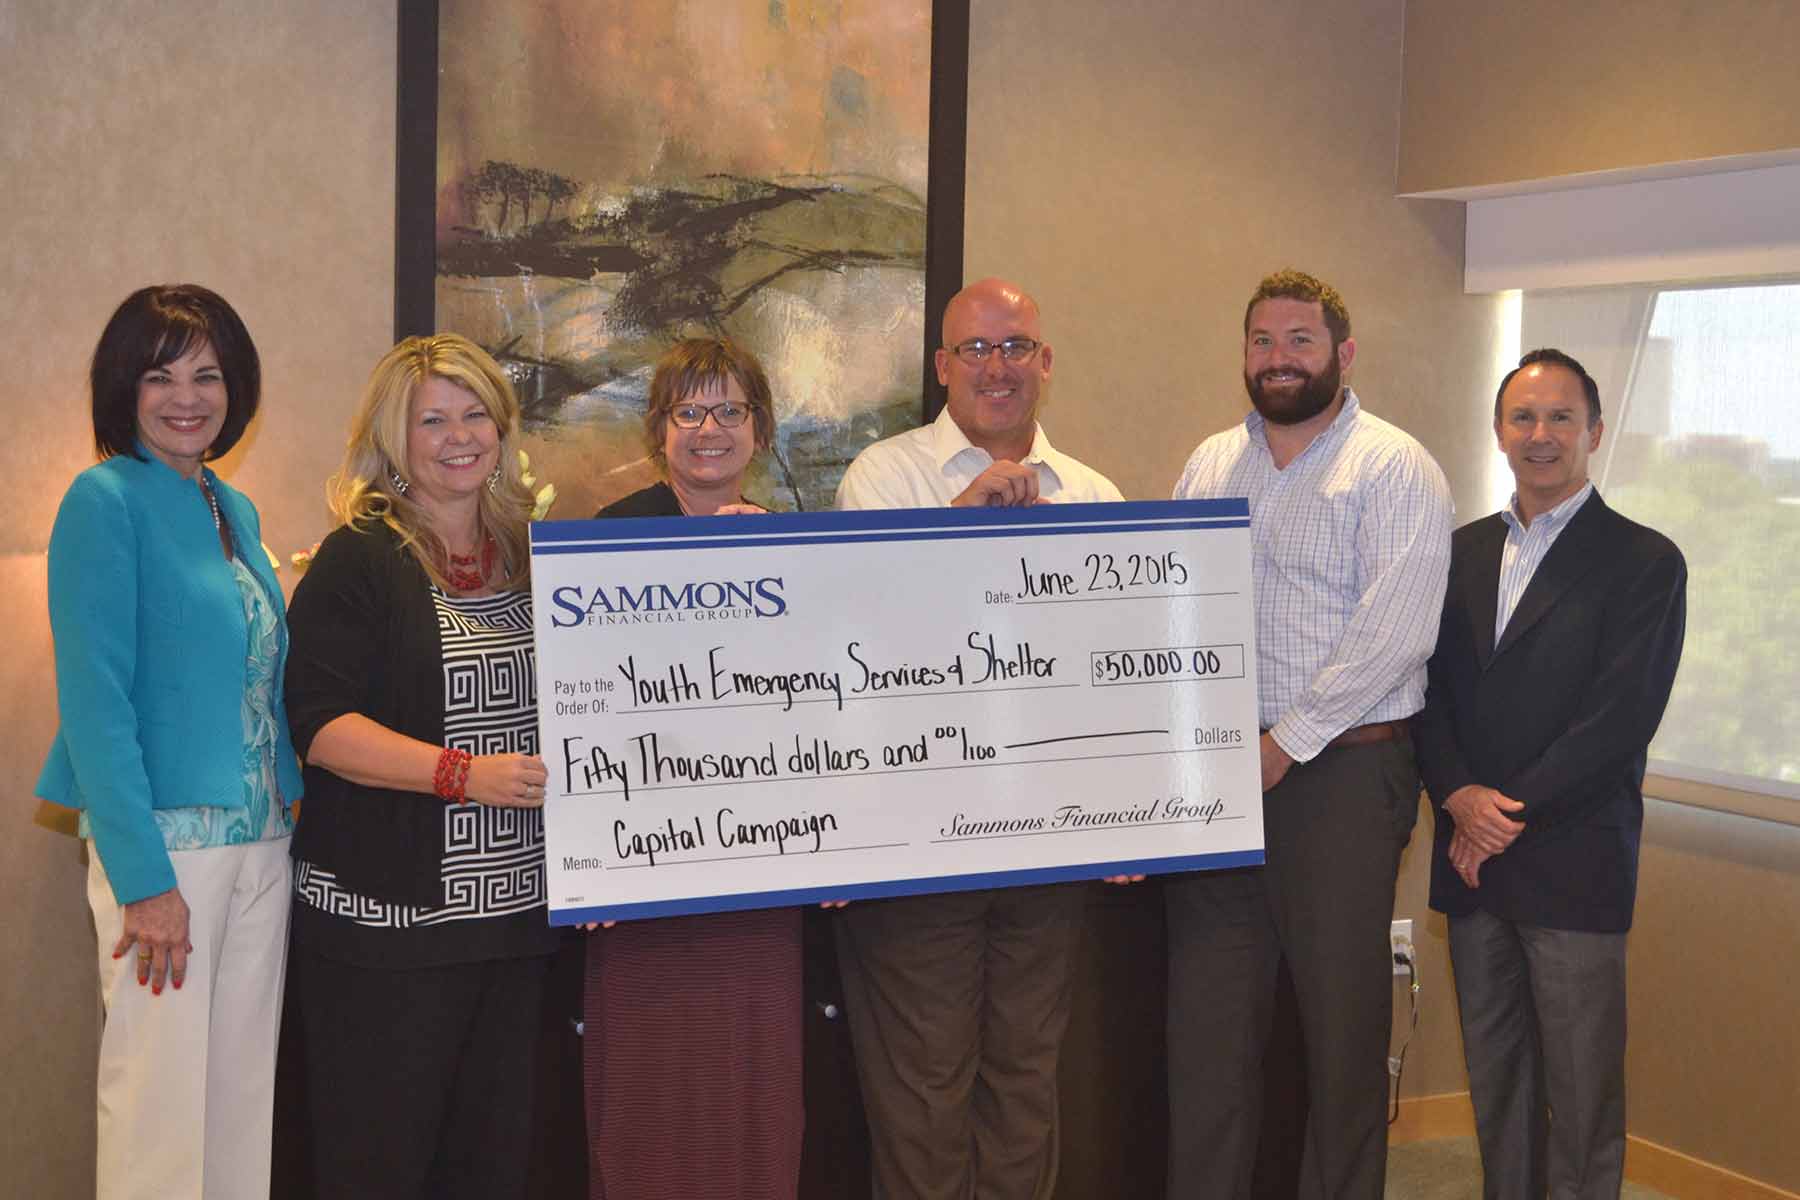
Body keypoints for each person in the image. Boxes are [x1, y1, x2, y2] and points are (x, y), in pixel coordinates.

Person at [1166, 269, 1453, 1199]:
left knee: (1340, 1033)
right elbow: (1168, 606)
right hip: (1222, 774)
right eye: (1262, 340)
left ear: (1342, 352)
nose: (1279, 358)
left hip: (1340, 778)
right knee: (1208, 1032)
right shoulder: (1211, 464)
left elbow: (1397, 630)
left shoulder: (1393, 465)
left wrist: (1283, 743)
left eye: (1300, 340)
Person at [833, 277, 1122, 1200]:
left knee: (1026, 1081)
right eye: (976, 350)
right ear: (942, 367)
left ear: (1046, 362)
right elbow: (860, 648)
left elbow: (1118, 669)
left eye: (1015, 347)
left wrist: (1130, 816)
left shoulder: (1096, 494)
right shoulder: (884, 477)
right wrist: (954, 530)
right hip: (917, 845)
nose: (996, 368)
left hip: (1047, 842)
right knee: (922, 1089)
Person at [38, 284, 303, 1198]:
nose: (186, 396)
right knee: (157, 1111)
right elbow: (96, 705)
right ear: (125, 389)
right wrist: (146, 885)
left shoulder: (237, 509)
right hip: (167, 856)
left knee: (239, 1099)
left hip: (265, 843)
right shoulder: (102, 501)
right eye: (160, 376)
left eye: (207, 374)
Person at [283, 333, 559, 1199]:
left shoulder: (533, 548)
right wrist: (462, 774)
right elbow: (320, 726)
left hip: (514, 924)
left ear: (502, 425)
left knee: (490, 1166)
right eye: (431, 420)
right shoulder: (359, 557)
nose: (459, 435)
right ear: (393, 443)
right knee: (381, 1166)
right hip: (388, 928)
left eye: (475, 412)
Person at [1414, 349, 1685, 1200]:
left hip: (1572, 864)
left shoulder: (1645, 562)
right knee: (1500, 1088)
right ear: (1499, 432)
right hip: (1471, 866)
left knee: (1580, 1095)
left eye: (1561, 418)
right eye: (1523, 418)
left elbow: (1617, 721)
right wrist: (1457, 797)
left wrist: (1497, 818)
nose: (1541, 436)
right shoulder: (1455, 553)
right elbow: (1422, 688)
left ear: (1596, 433)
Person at [582, 337, 805, 1200]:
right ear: (660, 430)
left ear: (758, 430)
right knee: (647, 1102)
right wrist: (594, 858)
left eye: (730, 410)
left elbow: (816, 719)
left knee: (750, 1093)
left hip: (756, 880)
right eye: (689, 411)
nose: (710, 429)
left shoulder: (791, 548)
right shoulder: (611, 539)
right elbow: (586, 711)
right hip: (643, 880)